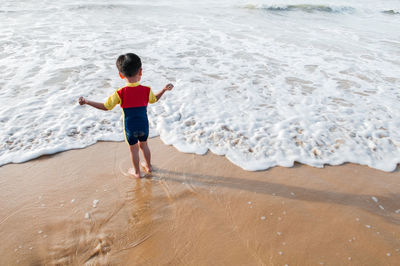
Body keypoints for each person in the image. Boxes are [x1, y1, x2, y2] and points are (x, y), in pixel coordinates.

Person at [78, 53, 173, 178]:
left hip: (130, 127)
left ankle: (137, 172)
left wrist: (87, 102)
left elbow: (106, 107)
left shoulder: (120, 93)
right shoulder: (146, 90)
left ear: (120, 74)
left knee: (133, 149)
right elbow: (154, 99)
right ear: (140, 71)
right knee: (144, 145)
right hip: (144, 125)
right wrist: (164, 90)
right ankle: (148, 166)